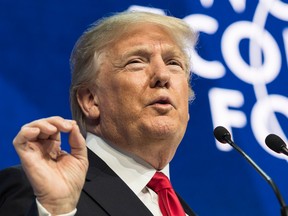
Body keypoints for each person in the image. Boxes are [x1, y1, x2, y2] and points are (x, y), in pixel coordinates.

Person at [0, 10, 197, 216]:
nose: (163, 75)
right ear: (91, 100)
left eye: (173, 63)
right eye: (136, 62)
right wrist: (57, 210)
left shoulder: (182, 210)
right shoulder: (39, 190)